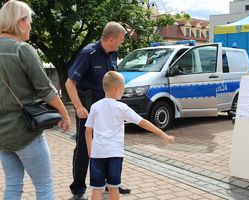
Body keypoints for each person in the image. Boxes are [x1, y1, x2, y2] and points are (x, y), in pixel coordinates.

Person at [0, 1, 71, 200]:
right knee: (44, 186)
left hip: (2, 135)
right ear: (20, 22)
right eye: (29, 21)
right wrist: (65, 115)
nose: (31, 26)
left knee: (13, 184)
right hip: (26, 131)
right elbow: (46, 91)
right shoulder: (22, 50)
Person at [85, 71, 175, 200]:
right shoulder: (122, 107)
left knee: (97, 189)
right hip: (115, 154)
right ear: (117, 89)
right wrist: (161, 133)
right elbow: (142, 122)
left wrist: (90, 152)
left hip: (97, 153)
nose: (124, 91)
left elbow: (88, 131)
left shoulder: (95, 107)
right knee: (113, 187)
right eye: (123, 88)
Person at [65, 21, 127, 200]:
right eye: (121, 39)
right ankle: (78, 189)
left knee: (109, 146)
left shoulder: (113, 54)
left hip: (108, 110)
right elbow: (70, 84)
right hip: (89, 108)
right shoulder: (88, 54)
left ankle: (110, 184)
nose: (121, 42)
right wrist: (78, 107)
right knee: (84, 149)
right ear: (111, 39)